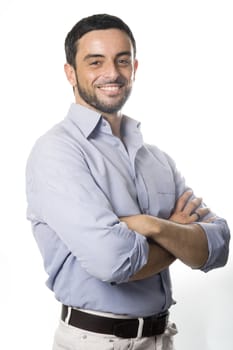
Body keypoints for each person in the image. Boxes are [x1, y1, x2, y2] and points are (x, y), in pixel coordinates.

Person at [25, 13, 230, 350]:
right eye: (96, 62)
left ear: (135, 68)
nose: (112, 73)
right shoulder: (57, 153)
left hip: (163, 338)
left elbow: (217, 246)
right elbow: (112, 262)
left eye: (123, 60)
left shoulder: (157, 159)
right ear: (70, 73)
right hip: (95, 342)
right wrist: (180, 234)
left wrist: (151, 225)